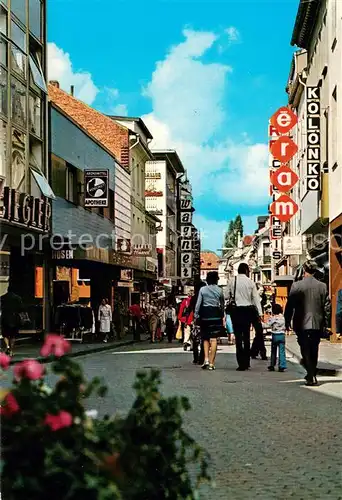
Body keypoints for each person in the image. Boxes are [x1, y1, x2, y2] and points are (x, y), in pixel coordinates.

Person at [285, 260, 331, 386]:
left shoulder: (297, 286)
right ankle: (312, 374)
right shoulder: (322, 286)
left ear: (304, 270)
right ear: (315, 271)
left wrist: (287, 320)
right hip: (317, 321)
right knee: (314, 348)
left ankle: (310, 375)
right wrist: (327, 323)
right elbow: (327, 307)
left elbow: (290, 305)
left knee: (304, 348)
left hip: (301, 322)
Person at [225, 263, 263, 371]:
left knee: (238, 337)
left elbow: (226, 295)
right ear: (246, 270)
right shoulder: (250, 282)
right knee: (246, 336)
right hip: (247, 310)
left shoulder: (232, 281)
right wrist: (260, 313)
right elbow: (256, 299)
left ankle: (240, 362)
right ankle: (247, 362)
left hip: (236, 311)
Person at [195, 271, 225, 371]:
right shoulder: (220, 290)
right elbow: (222, 304)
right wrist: (222, 315)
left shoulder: (203, 289)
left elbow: (198, 304)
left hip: (205, 316)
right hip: (216, 315)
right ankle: (212, 363)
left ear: (207, 279)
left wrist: (196, 315)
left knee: (205, 338)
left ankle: (206, 360)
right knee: (214, 339)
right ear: (217, 279)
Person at [0, 285, 23, 356]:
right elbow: (21, 308)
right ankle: (11, 351)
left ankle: (7, 346)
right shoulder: (18, 298)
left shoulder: (2, 297)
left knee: (5, 334)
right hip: (14, 318)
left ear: (7, 290)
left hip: (5, 318)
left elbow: (1, 307)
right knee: (13, 335)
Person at [264, 303, 287, 372]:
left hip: (275, 335)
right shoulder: (283, 318)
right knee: (282, 351)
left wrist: (260, 324)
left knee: (273, 351)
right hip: (282, 335)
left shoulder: (273, 318)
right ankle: (282, 365)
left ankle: (272, 365)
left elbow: (266, 325)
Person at [188, 281, 206, 364]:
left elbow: (190, 308)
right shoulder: (206, 296)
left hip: (196, 320)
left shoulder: (194, 297)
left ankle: (196, 358)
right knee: (204, 339)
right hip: (205, 319)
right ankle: (202, 358)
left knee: (195, 339)